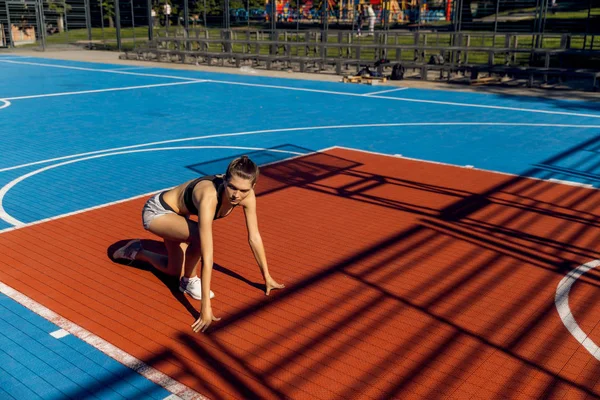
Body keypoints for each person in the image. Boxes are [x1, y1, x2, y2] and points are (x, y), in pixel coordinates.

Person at [113, 156, 285, 333]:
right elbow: (208, 254)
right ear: (224, 180)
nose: (236, 195)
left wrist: (267, 276)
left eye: (243, 190)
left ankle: (138, 251)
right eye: (232, 187)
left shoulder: (247, 196)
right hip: (158, 212)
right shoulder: (209, 197)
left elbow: (254, 237)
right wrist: (205, 308)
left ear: (253, 187)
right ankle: (189, 280)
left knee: (172, 270)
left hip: (180, 217)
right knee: (198, 236)